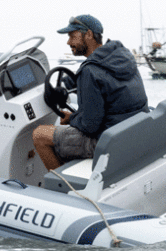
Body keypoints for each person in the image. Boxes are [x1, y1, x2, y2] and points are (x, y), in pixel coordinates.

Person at [32, 14, 148, 171]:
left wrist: (72, 118)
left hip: (109, 141)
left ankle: (63, 187)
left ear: (88, 34)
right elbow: (106, 84)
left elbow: (90, 126)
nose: (68, 42)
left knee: (40, 135)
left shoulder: (90, 71)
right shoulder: (122, 55)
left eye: (72, 36)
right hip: (134, 132)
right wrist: (73, 83)